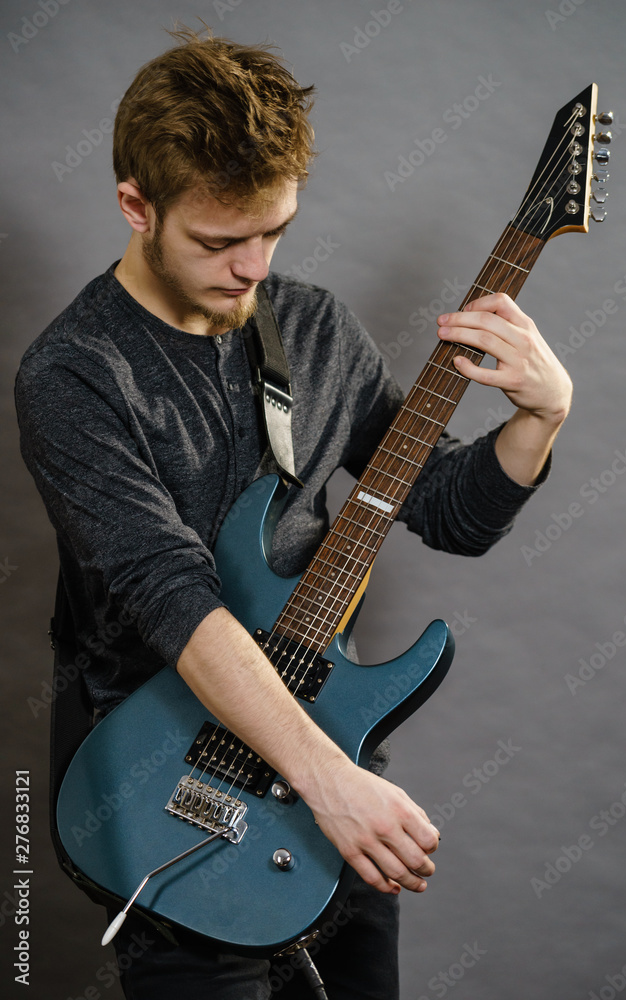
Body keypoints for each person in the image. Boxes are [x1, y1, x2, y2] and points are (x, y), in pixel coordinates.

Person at [15, 26, 572, 1000]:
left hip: (333, 779)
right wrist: (332, 782)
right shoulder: (74, 375)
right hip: (165, 787)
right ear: (135, 206)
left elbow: (443, 505)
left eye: (273, 231)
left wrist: (540, 414)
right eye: (220, 241)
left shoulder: (310, 326)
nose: (252, 268)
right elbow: (173, 600)